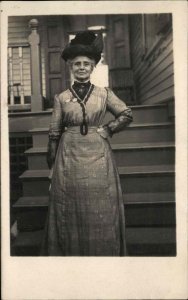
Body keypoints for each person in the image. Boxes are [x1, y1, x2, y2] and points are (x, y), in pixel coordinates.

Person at [41, 30, 133, 256]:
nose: (81, 67)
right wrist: (52, 166)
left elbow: (126, 113)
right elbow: (54, 132)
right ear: (71, 68)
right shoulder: (61, 97)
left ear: (93, 68)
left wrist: (109, 129)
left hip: (97, 151)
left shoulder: (104, 93)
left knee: (99, 202)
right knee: (68, 204)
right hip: (68, 153)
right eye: (76, 64)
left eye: (86, 64)